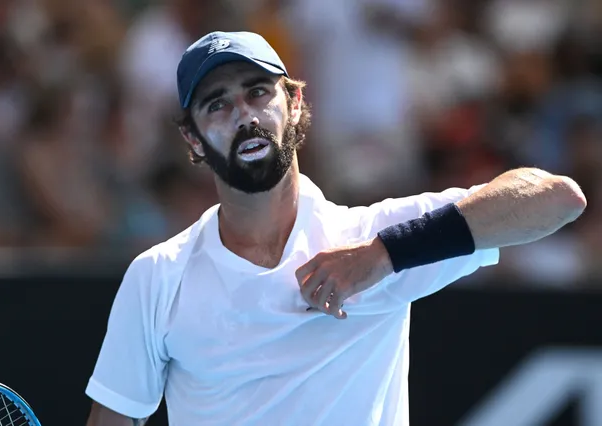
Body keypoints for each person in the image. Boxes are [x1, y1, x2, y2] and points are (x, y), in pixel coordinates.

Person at [84, 31, 587, 426]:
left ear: (295, 103)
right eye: (217, 104)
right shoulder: (157, 277)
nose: (244, 115)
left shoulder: (376, 234)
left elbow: (557, 198)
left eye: (259, 92)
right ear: (192, 139)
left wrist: (380, 257)